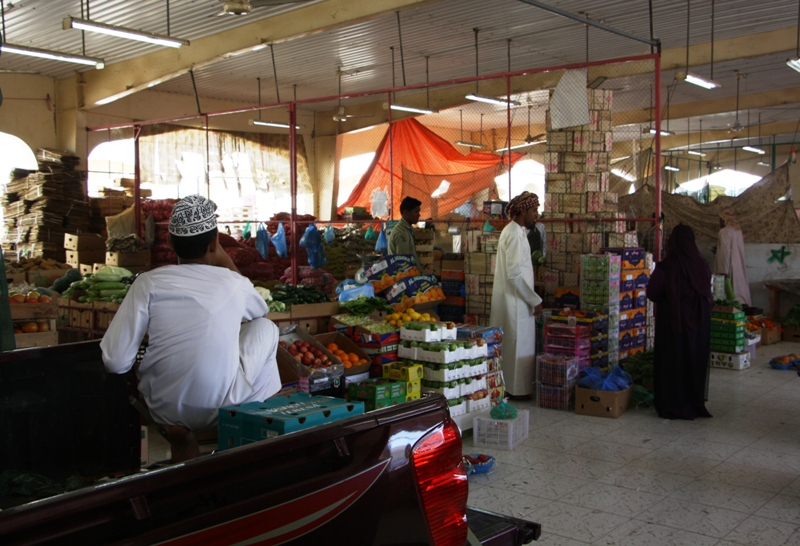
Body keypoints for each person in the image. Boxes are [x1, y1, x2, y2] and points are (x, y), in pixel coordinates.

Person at [101, 195, 282, 462]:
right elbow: (258, 312)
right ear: (214, 243)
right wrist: (224, 263)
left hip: (163, 406)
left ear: (170, 243)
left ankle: (182, 437)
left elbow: (115, 362)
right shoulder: (233, 283)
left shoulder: (147, 283)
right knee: (266, 328)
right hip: (221, 405)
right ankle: (254, 421)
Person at [646, 223, 713, 420]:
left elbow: (653, 292)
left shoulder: (667, 266)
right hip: (699, 326)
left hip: (673, 325)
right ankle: (694, 402)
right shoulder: (702, 265)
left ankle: (673, 404)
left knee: (673, 362)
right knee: (694, 361)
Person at [490, 192, 543, 398]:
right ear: (522, 212)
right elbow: (514, 274)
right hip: (515, 303)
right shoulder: (512, 233)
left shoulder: (518, 232)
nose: (536, 215)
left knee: (518, 346)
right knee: (515, 345)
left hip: (519, 302)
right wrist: (534, 300)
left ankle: (517, 388)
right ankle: (514, 390)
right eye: (533, 211)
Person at [715, 209, 751, 306]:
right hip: (738, 264)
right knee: (740, 289)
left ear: (724, 220)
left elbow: (725, 252)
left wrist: (723, 271)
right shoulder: (737, 230)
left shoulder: (724, 231)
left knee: (730, 293)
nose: (719, 222)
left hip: (729, 266)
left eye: (720, 219)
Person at [387, 196, 422, 269]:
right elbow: (403, 263)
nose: (419, 215)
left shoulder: (407, 229)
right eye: (416, 212)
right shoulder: (401, 233)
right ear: (406, 212)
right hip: (405, 277)